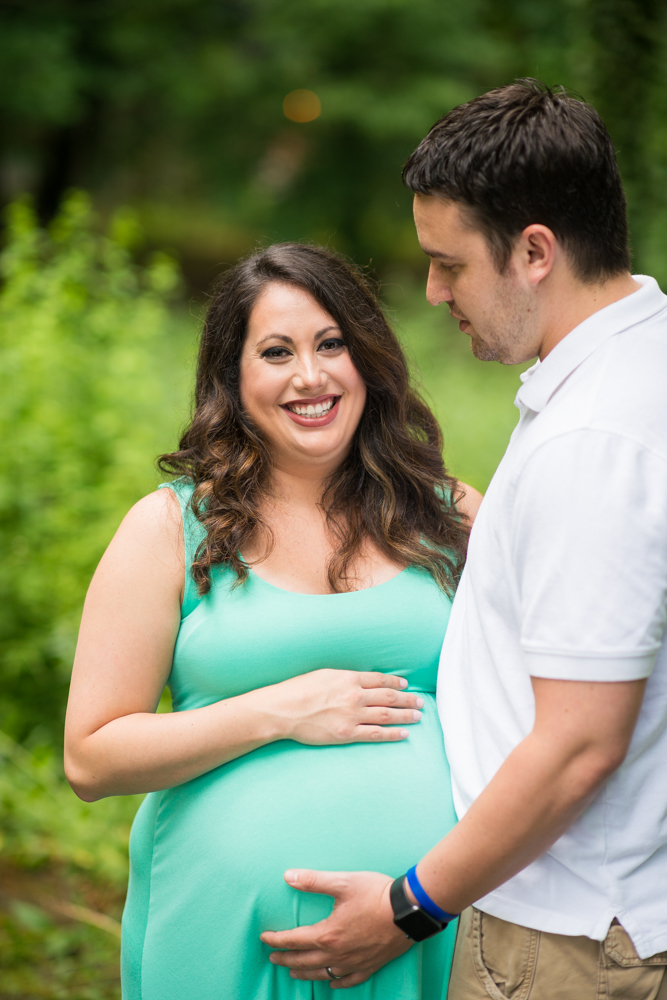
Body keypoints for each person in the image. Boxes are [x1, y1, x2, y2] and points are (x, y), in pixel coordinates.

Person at [261, 82, 667, 998]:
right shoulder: (632, 366)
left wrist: (409, 906)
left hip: (564, 939)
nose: (435, 291)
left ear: (533, 252)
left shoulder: (590, 439)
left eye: (449, 265)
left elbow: (577, 746)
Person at [64, 242, 482, 999]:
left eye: (331, 345)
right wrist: (279, 709)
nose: (310, 376)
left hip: (423, 928)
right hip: (221, 938)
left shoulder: (451, 516)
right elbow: (92, 757)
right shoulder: (169, 530)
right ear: (234, 377)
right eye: (276, 352)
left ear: (368, 361)